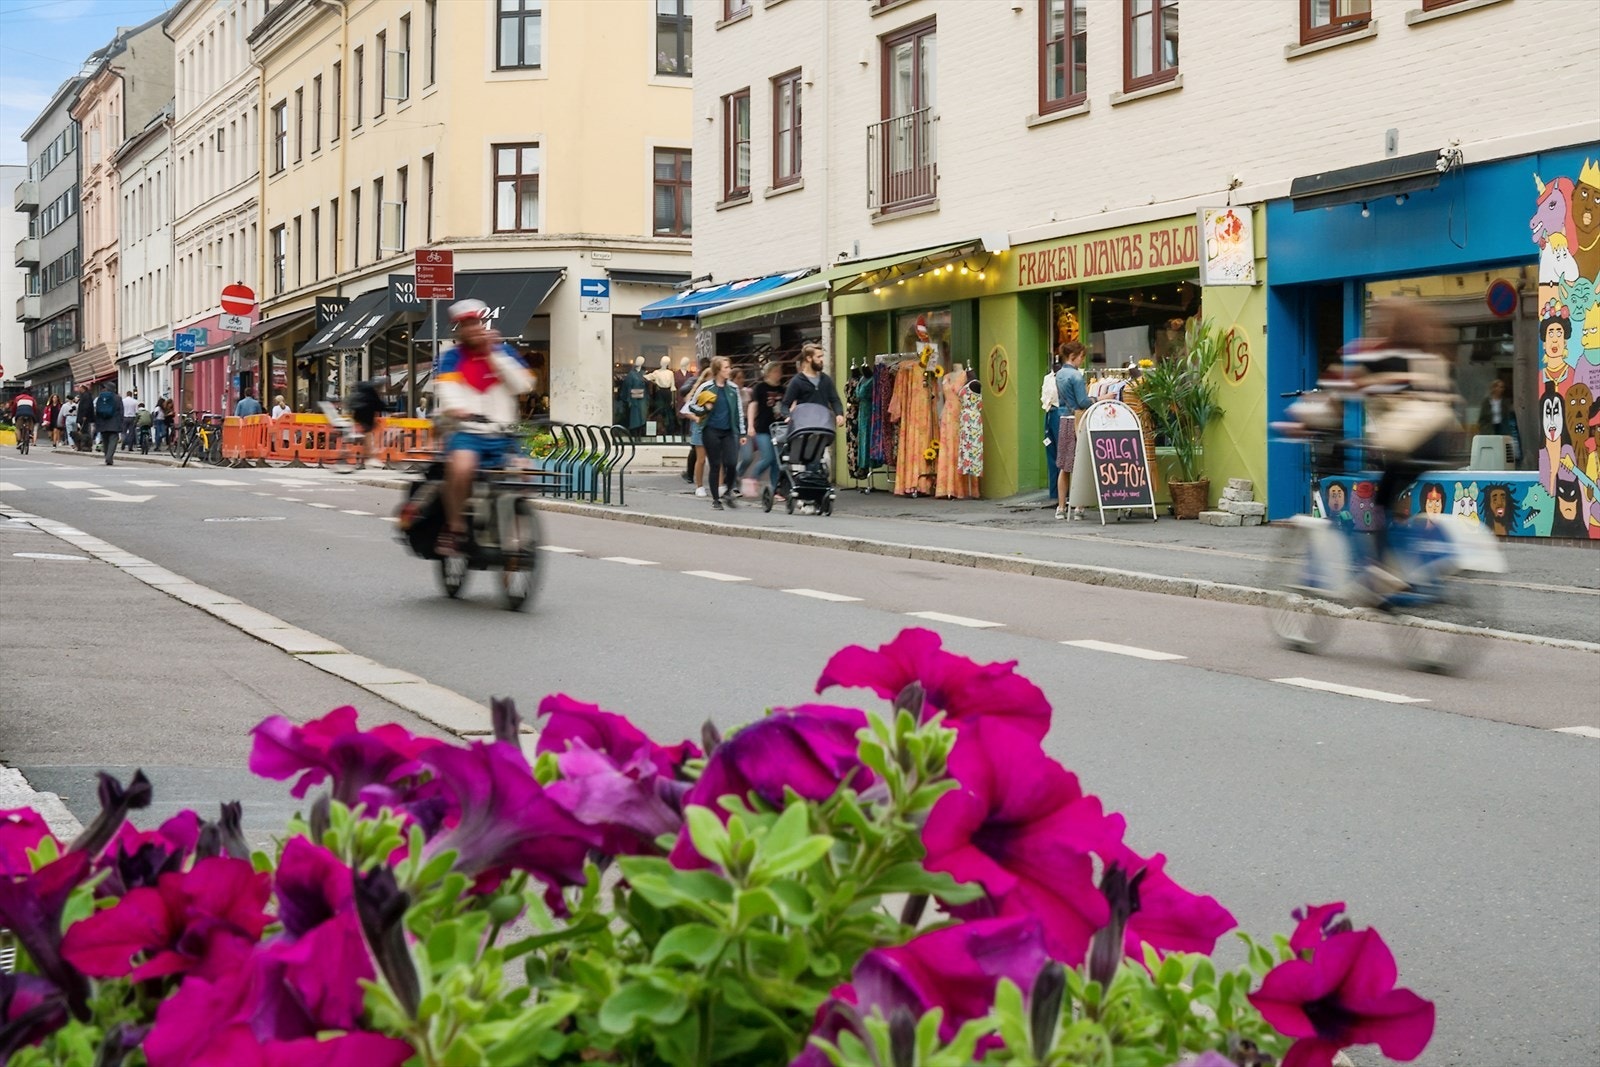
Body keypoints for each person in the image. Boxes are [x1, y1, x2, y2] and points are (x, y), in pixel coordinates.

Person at [1346, 298, 1462, 590]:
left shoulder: (1382, 355)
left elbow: (1346, 388)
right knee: (1397, 496)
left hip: (1411, 442)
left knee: (1381, 501)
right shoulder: (1430, 356)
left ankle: (1385, 572)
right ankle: (1416, 559)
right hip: (1440, 443)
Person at [433, 298, 534, 555]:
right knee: (462, 466)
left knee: (524, 472)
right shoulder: (451, 358)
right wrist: (458, 409)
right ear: (459, 330)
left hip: (502, 434)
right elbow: (447, 390)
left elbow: (523, 385)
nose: (472, 328)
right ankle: (455, 528)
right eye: (465, 325)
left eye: (475, 322)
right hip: (468, 433)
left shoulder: (503, 351)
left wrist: (494, 355)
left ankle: (520, 535)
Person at [696, 356, 745, 511]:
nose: (729, 370)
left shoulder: (733, 388)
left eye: (729, 367)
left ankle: (728, 492)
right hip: (711, 430)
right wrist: (705, 408)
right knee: (715, 464)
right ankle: (716, 500)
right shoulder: (706, 387)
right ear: (717, 370)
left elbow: (739, 411)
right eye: (726, 368)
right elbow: (691, 406)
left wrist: (742, 432)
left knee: (731, 463)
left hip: (729, 431)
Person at [1054, 342, 1093, 520]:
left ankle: (1061, 507)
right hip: (1078, 421)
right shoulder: (1076, 376)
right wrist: (1099, 397)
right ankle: (1078, 507)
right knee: (1081, 464)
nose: (1082, 360)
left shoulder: (1059, 374)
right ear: (1073, 356)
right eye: (1081, 357)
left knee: (1064, 465)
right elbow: (1083, 402)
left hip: (1063, 419)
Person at [746, 360, 786, 500]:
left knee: (777, 461)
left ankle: (774, 490)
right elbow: (753, 406)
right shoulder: (760, 388)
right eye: (776, 371)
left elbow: (786, 407)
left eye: (779, 371)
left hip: (779, 429)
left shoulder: (782, 389)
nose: (779, 374)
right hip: (763, 428)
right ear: (768, 373)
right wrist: (750, 425)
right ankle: (752, 479)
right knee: (768, 457)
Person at [782, 342, 846, 426]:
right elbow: (785, 405)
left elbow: (835, 400)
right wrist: (788, 416)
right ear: (809, 358)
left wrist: (839, 414)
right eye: (819, 357)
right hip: (804, 427)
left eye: (822, 356)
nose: (822, 359)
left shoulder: (825, 379)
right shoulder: (797, 381)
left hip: (824, 426)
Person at [681, 365, 712, 493]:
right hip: (700, 427)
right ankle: (698, 485)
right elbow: (686, 410)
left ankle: (719, 486)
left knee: (717, 459)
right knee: (701, 458)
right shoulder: (700, 391)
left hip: (713, 427)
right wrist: (696, 418)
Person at [1476, 378, 1520, 467]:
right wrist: (1483, 428)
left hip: (1502, 426)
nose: (1501, 389)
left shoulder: (1505, 401)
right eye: (1499, 387)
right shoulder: (1486, 402)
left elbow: (1509, 414)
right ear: (1494, 388)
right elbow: (1482, 418)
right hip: (1490, 428)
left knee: (1503, 447)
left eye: (1502, 387)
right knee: (1491, 446)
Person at [1042, 349, 1063, 502]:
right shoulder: (1047, 378)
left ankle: (1065, 491)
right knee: (1051, 452)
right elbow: (1044, 397)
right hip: (1050, 413)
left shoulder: (1066, 377)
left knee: (1063, 453)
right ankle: (1054, 491)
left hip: (1061, 413)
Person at [92, 381, 125, 465]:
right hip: (114, 422)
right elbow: (121, 411)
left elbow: (97, 410)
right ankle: (109, 457)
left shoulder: (101, 397)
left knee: (105, 441)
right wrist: (121, 422)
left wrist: (97, 422)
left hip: (103, 422)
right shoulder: (117, 398)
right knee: (113, 440)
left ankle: (107, 455)